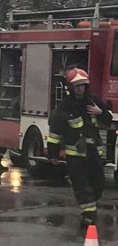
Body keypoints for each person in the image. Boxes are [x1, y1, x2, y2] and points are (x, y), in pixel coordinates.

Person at [47, 68, 111, 228]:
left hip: (93, 152)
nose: (80, 88)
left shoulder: (93, 102)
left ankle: (89, 208)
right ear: (70, 87)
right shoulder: (65, 107)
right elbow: (55, 132)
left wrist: (100, 112)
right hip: (75, 155)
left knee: (98, 184)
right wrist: (53, 154)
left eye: (82, 85)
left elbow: (108, 119)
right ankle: (89, 215)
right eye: (77, 86)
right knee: (81, 186)